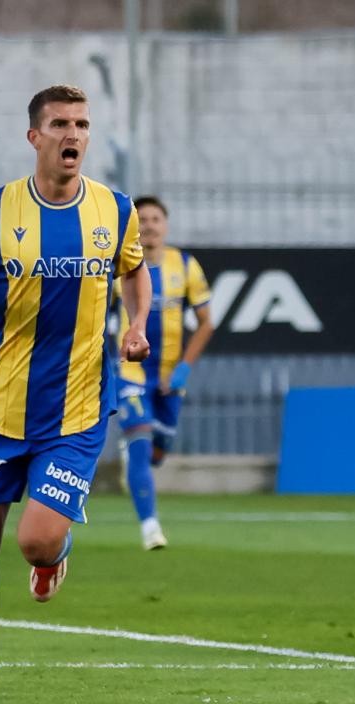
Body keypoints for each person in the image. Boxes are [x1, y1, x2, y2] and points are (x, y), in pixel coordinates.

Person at [0, 85, 152, 690]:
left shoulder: (115, 209)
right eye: (60, 124)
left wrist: (137, 324)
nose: (73, 134)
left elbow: (135, 270)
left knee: (34, 541)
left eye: (81, 124)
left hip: (76, 409)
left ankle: (53, 557)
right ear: (35, 137)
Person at [114, 196, 214, 550]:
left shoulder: (184, 265)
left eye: (155, 219)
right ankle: (150, 527)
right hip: (131, 374)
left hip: (171, 377)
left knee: (159, 451)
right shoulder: (118, 265)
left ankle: (138, 459)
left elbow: (206, 323)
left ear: (165, 226)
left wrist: (184, 367)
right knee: (140, 444)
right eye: (142, 219)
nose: (149, 225)